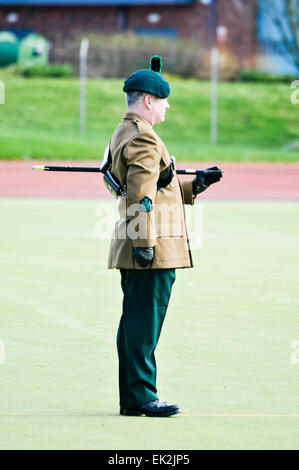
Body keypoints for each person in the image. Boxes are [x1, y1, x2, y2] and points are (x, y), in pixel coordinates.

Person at [106, 56, 222, 417]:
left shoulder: (126, 130)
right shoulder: (143, 137)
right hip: (151, 248)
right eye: (164, 99)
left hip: (143, 243)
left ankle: (134, 396)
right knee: (144, 323)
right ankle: (142, 397)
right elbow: (141, 195)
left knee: (136, 321)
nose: (167, 105)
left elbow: (153, 188)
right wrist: (145, 245)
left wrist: (192, 186)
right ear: (148, 102)